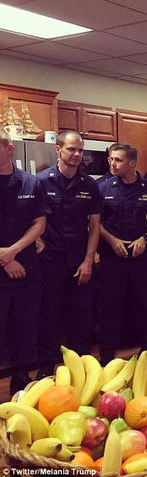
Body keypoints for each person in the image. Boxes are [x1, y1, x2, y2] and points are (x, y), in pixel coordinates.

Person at [36, 131, 101, 377]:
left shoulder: (89, 184)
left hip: (79, 261)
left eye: (80, 150)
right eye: (71, 149)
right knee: (49, 315)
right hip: (50, 261)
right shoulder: (42, 181)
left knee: (82, 316)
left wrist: (88, 261)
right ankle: (46, 368)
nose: (76, 154)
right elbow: (31, 218)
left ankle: (81, 369)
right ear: (58, 149)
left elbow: (95, 226)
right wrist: (38, 240)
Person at [97, 143, 147, 365]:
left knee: (145, 306)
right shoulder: (102, 187)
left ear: (132, 163)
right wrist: (111, 240)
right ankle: (106, 357)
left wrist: (145, 238)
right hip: (113, 256)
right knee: (110, 307)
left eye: (118, 160)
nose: (112, 163)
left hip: (143, 257)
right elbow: (94, 222)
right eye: (111, 159)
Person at [0, 130, 48, 394]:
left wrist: (13, 251)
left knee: (26, 329)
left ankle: (21, 383)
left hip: (27, 271)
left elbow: (39, 223)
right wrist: (5, 259)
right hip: (3, 269)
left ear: (9, 149)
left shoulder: (31, 183)